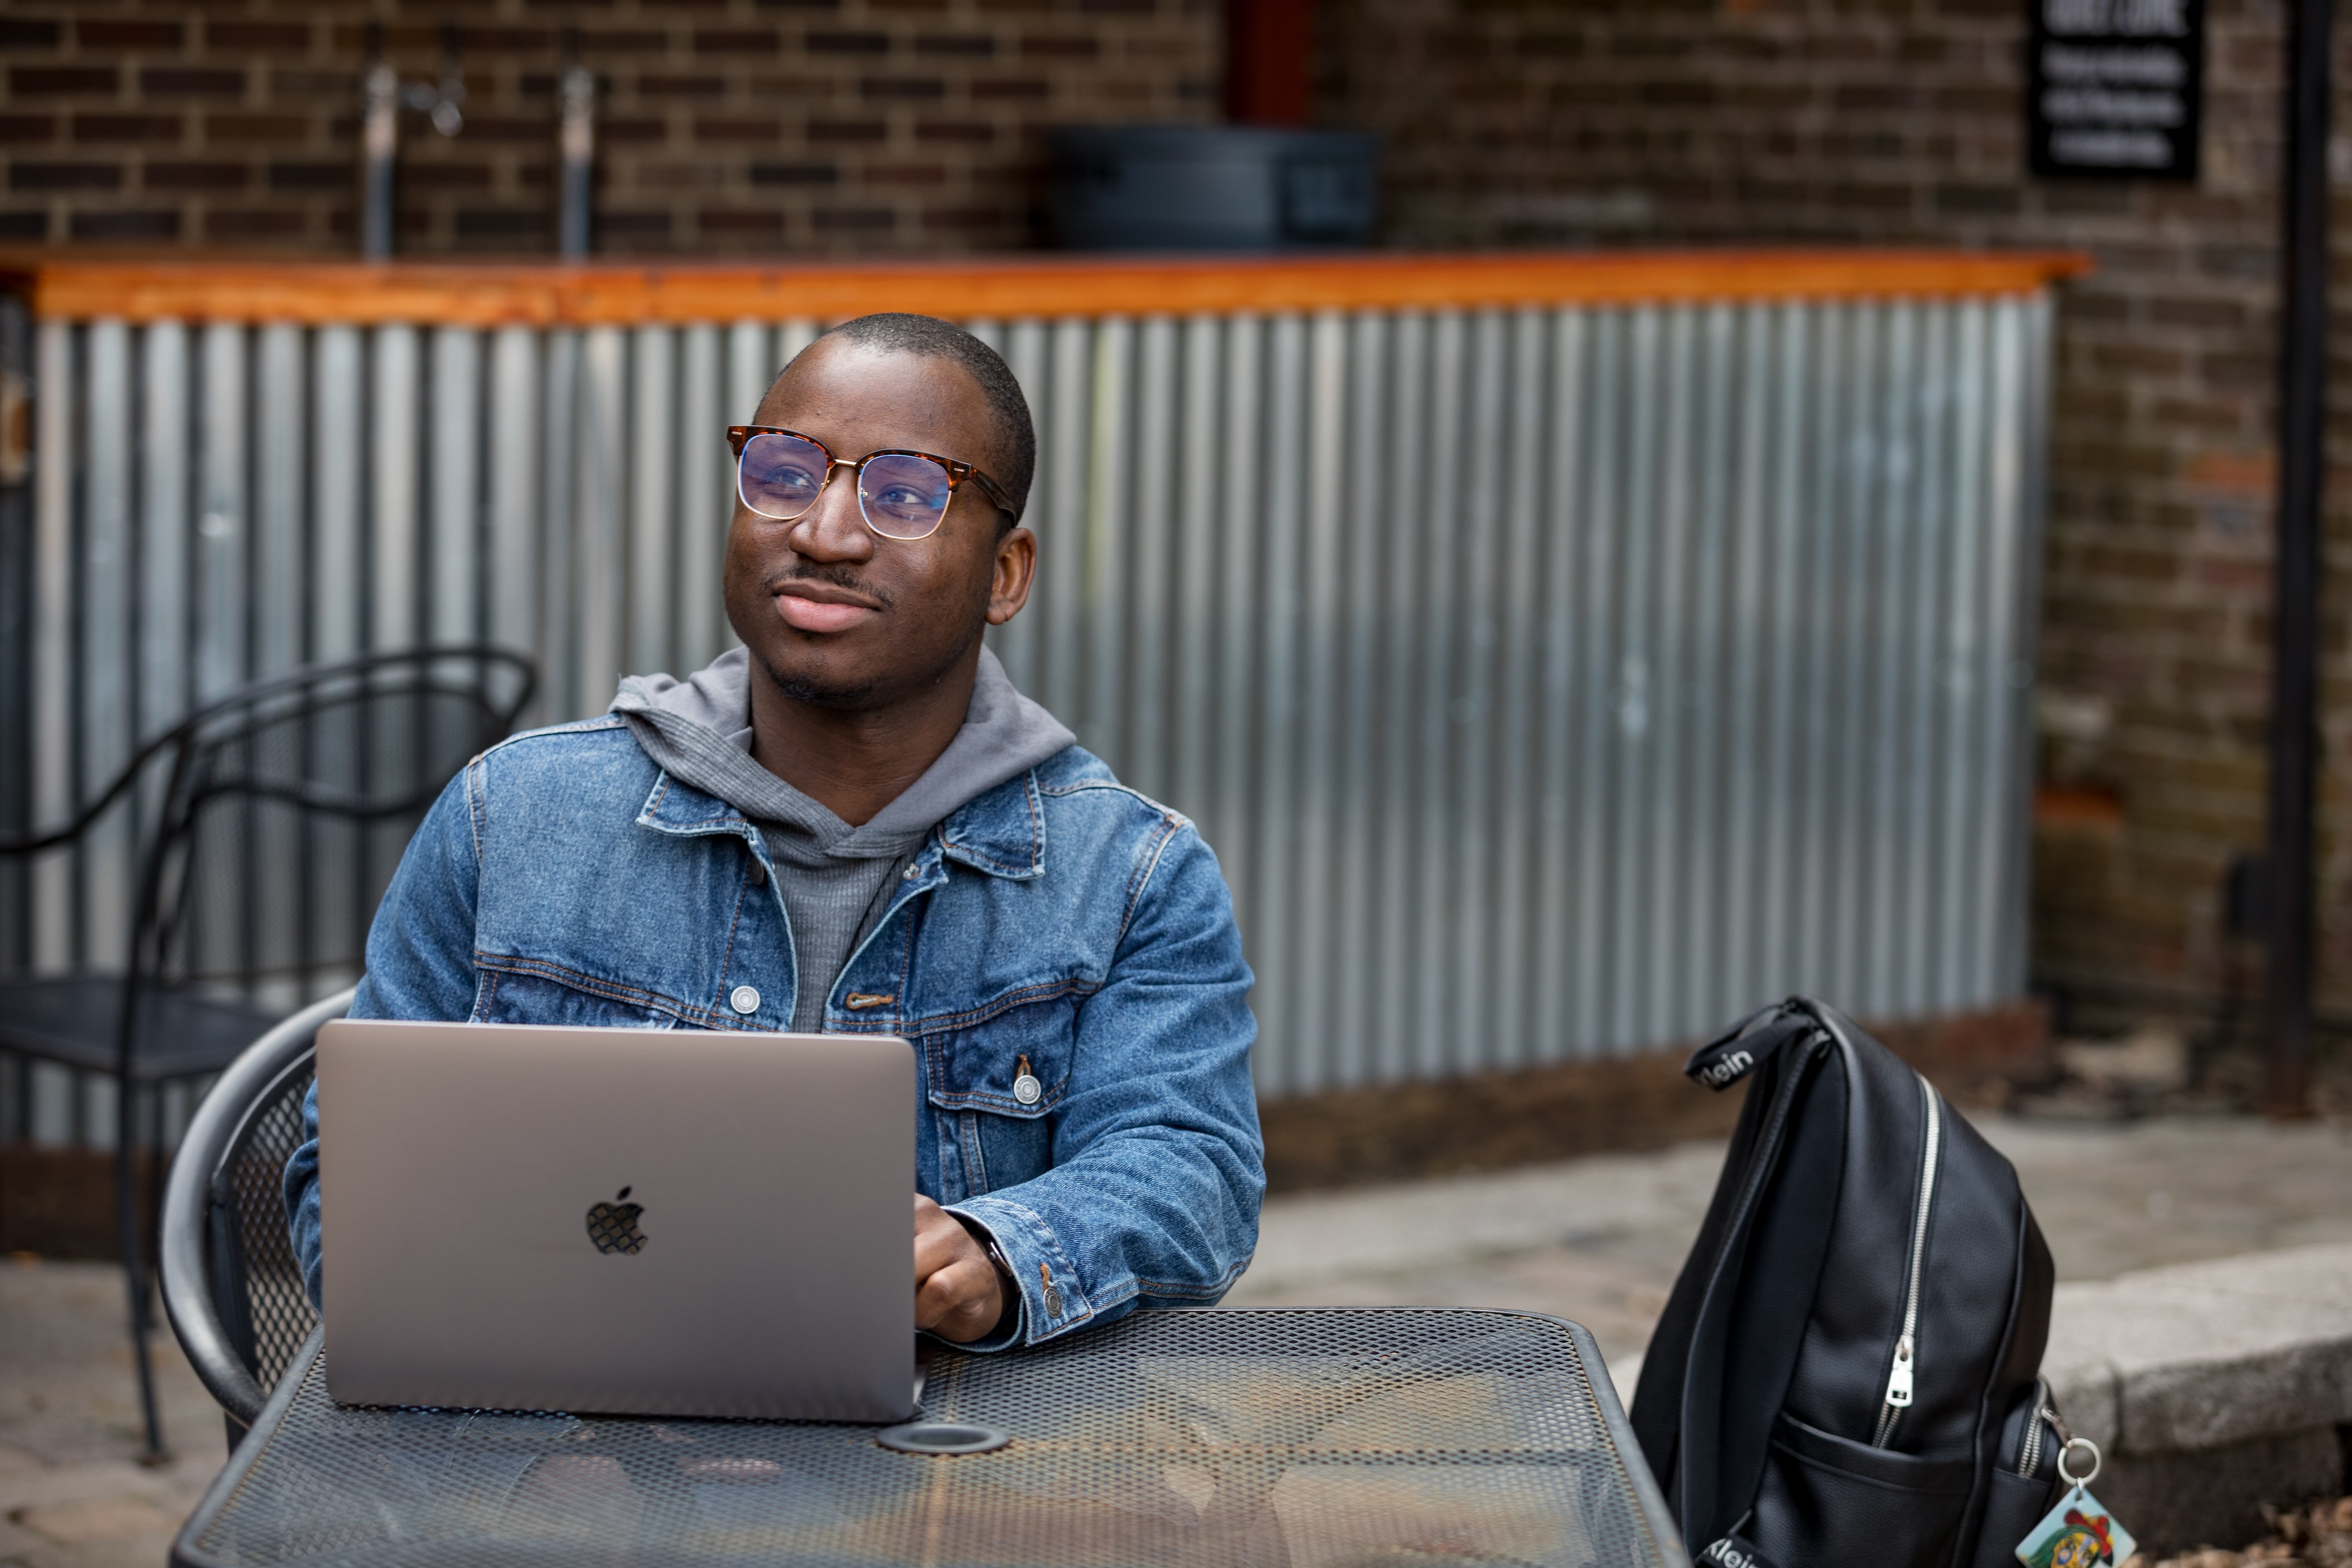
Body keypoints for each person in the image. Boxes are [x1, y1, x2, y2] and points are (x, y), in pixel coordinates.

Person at [283, 313, 1264, 1350]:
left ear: (1006, 574)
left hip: (953, 1473)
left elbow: (1188, 1170)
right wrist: (545, 1452)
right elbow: (346, 1200)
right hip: (564, 1466)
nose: (825, 533)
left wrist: (997, 1250)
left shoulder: (1131, 876)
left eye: (905, 495)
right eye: (787, 472)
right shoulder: (511, 817)